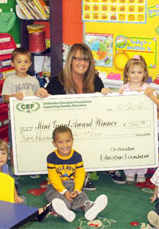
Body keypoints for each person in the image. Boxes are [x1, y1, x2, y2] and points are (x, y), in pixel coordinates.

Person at [36, 43, 125, 188]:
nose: (81, 63)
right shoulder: (57, 81)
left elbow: (102, 107)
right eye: (78, 59)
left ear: (90, 63)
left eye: (85, 60)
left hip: (91, 125)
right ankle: (80, 174)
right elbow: (46, 106)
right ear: (70, 60)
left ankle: (107, 165)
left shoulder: (95, 80)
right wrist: (42, 94)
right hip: (67, 128)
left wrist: (106, 95)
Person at [45, 126, 108, 223]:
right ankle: (65, 211)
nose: (65, 145)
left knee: (81, 196)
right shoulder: (51, 158)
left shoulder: (77, 157)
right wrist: (64, 192)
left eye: (68, 141)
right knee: (56, 197)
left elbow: (80, 175)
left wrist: (77, 190)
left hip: (72, 184)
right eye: (60, 142)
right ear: (54, 143)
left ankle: (89, 209)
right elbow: (53, 177)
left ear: (72, 141)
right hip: (56, 186)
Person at [2, 47, 40, 169]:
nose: (22, 65)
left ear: (30, 63)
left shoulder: (33, 80)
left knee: (30, 142)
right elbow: (5, 98)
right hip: (15, 118)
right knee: (15, 143)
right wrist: (14, 96)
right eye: (19, 62)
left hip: (30, 118)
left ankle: (30, 166)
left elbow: (37, 98)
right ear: (12, 63)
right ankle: (15, 168)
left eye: (25, 62)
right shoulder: (9, 80)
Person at [118, 55, 150, 183]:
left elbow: (154, 101)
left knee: (142, 147)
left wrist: (153, 96)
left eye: (139, 72)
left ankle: (141, 172)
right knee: (129, 147)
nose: (136, 75)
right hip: (128, 124)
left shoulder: (147, 88)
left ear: (144, 73)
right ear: (127, 73)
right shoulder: (123, 88)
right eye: (133, 72)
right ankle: (129, 172)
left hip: (143, 124)